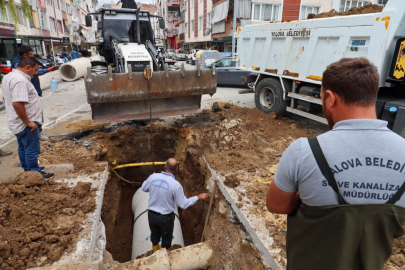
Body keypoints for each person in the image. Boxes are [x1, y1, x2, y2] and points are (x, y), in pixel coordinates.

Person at [266, 57, 405, 270]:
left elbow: (276, 204)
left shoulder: (305, 151)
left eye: (321, 98)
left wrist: (308, 192)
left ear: (330, 98)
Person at [2, 57, 54, 179]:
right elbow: (17, 103)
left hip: (15, 121)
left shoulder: (8, 76)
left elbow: (6, 98)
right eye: (35, 70)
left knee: (23, 147)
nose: (36, 73)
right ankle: (35, 174)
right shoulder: (20, 81)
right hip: (25, 124)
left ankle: (28, 170)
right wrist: (28, 122)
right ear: (28, 67)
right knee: (32, 149)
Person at [142, 158, 209, 252]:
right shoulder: (175, 185)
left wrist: (150, 177)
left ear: (165, 166)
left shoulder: (153, 177)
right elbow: (184, 204)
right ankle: (165, 255)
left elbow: (144, 188)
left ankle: (155, 252)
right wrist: (198, 197)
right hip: (166, 218)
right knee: (166, 239)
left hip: (151, 215)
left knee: (154, 235)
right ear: (176, 169)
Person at [12, 45, 58, 141]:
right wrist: (47, 69)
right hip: (27, 95)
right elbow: (16, 103)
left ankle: (36, 132)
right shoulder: (19, 65)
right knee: (32, 114)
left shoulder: (23, 64)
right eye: (31, 54)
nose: (32, 56)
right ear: (25, 55)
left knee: (36, 112)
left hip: (34, 91)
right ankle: (34, 133)